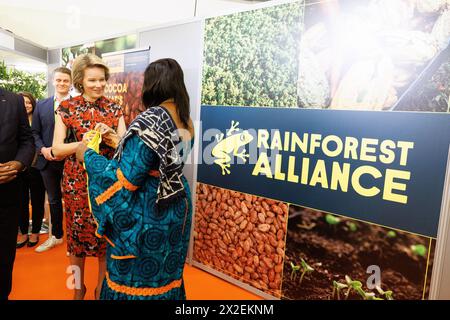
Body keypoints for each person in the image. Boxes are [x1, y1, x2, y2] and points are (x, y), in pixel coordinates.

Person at [76, 58, 194, 300]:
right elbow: (157, 159)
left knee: (136, 279)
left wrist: (88, 156)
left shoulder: (151, 119)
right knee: (166, 274)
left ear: (152, 85)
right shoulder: (186, 118)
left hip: (149, 210)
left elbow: (127, 178)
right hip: (176, 205)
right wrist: (120, 143)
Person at [52, 53, 126, 300]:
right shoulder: (66, 108)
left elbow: (126, 149)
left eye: (102, 80)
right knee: (76, 241)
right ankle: (78, 289)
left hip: (108, 184)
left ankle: (100, 290)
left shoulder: (114, 108)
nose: (99, 85)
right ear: (80, 81)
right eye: (92, 80)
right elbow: (57, 149)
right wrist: (81, 145)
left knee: (106, 237)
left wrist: (110, 137)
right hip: (76, 185)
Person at [32, 67, 72, 253]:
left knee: (74, 201)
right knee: (54, 200)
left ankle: (75, 239)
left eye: (65, 80)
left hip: (72, 161)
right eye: (59, 80)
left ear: (71, 82)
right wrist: (43, 149)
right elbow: (35, 132)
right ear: (53, 81)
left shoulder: (77, 104)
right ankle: (56, 235)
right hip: (48, 160)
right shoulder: (41, 105)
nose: (62, 83)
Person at [0, 88, 35, 300]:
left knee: (4, 259)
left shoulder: (13, 100)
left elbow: (27, 140)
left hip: (7, 194)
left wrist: (19, 163)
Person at [16, 92, 46, 248]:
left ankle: (35, 232)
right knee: (20, 201)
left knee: (37, 200)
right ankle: (22, 232)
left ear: (33, 104)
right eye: (22, 102)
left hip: (36, 166)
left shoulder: (37, 119)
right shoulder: (14, 120)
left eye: (28, 102)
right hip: (19, 167)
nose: (26, 105)